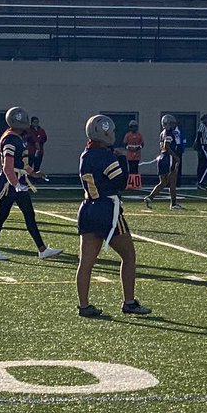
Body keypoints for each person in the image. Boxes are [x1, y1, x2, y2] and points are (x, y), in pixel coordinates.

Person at [75, 114, 153, 319]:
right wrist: (121, 159)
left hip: (87, 208)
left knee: (86, 262)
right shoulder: (107, 157)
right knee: (129, 256)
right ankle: (129, 302)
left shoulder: (85, 154)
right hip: (107, 209)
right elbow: (120, 182)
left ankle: (83, 306)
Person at [0, 106, 62, 261]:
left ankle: (41, 249)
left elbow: (21, 164)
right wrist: (15, 184)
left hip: (16, 180)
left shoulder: (15, 137)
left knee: (23, 215)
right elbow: (8, 166)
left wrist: (33, 173)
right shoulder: (11, 138)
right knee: (8, 216)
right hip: (11, 183)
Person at [144, 114, 184, 210]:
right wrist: (175, 156)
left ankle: (150, 197)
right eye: (172, 123)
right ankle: (173, 203)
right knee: (172, 181)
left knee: (163, 182)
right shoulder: (168, 132)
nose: (174, 125)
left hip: (161, 158)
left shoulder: (162, 133)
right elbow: (167, 145)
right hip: (168, 158)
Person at [194, 113, 207, 188]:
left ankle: (202, 181)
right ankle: (201, 181)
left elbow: (206, 139)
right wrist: (200, 148)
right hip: (203, 147)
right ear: (206, 120)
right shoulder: (202, 126)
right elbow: (199, 137)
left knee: (203, 165)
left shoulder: (206, 128)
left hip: (205, 146)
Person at [123, 120, 144, 191]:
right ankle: (130, 184)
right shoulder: (128, 135)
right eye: (132, 127)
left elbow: (142, 144)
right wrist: (130, 148)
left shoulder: (139, 135)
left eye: (135, 127)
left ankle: (136, 184)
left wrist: (138, 147)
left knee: (135, 169)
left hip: (137, 155)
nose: (134, 128)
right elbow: (125, 144)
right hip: (130, 154)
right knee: (131, 169)